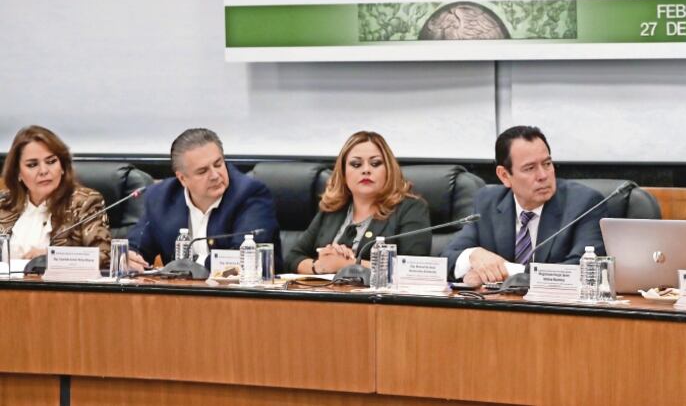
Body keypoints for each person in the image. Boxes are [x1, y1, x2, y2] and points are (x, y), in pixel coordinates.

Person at [443, 125, 606, 286]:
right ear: (504, 176)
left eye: (547, 164)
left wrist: (504, 271)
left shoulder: (584, 204)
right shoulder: (488, 202)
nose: (543, 175)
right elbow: (446, 259)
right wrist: (473, 255)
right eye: (530, 168)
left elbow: (583, 271)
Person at [126, 128, 280, 272]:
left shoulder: (250, 194)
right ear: (182, 179)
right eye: (203, 171)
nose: (215, 175)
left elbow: (243, 258)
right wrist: (131, 258)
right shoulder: (161, 198)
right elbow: (137, 247)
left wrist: (187, 267)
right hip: (179, 297)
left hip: (244, 297)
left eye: (218, 164)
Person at [286, 130, 431, 274]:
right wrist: (319, 266)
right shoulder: (333, 209)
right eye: (356, 164)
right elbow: (293, 258)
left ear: (389, 170)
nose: (366, 170)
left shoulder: (411, 209)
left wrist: (350, 264)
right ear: (343, 172)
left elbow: (415, 268)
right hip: (328, 294)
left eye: (375, 163)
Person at [0, 125, 111, 265]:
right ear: (18, 173)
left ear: (63, 166)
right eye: (32, 165)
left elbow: (105, 256)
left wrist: (52, 257)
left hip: (59, 286)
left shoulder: (85, 202)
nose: (44, 171)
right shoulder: (3, 203)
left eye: (51, 162)